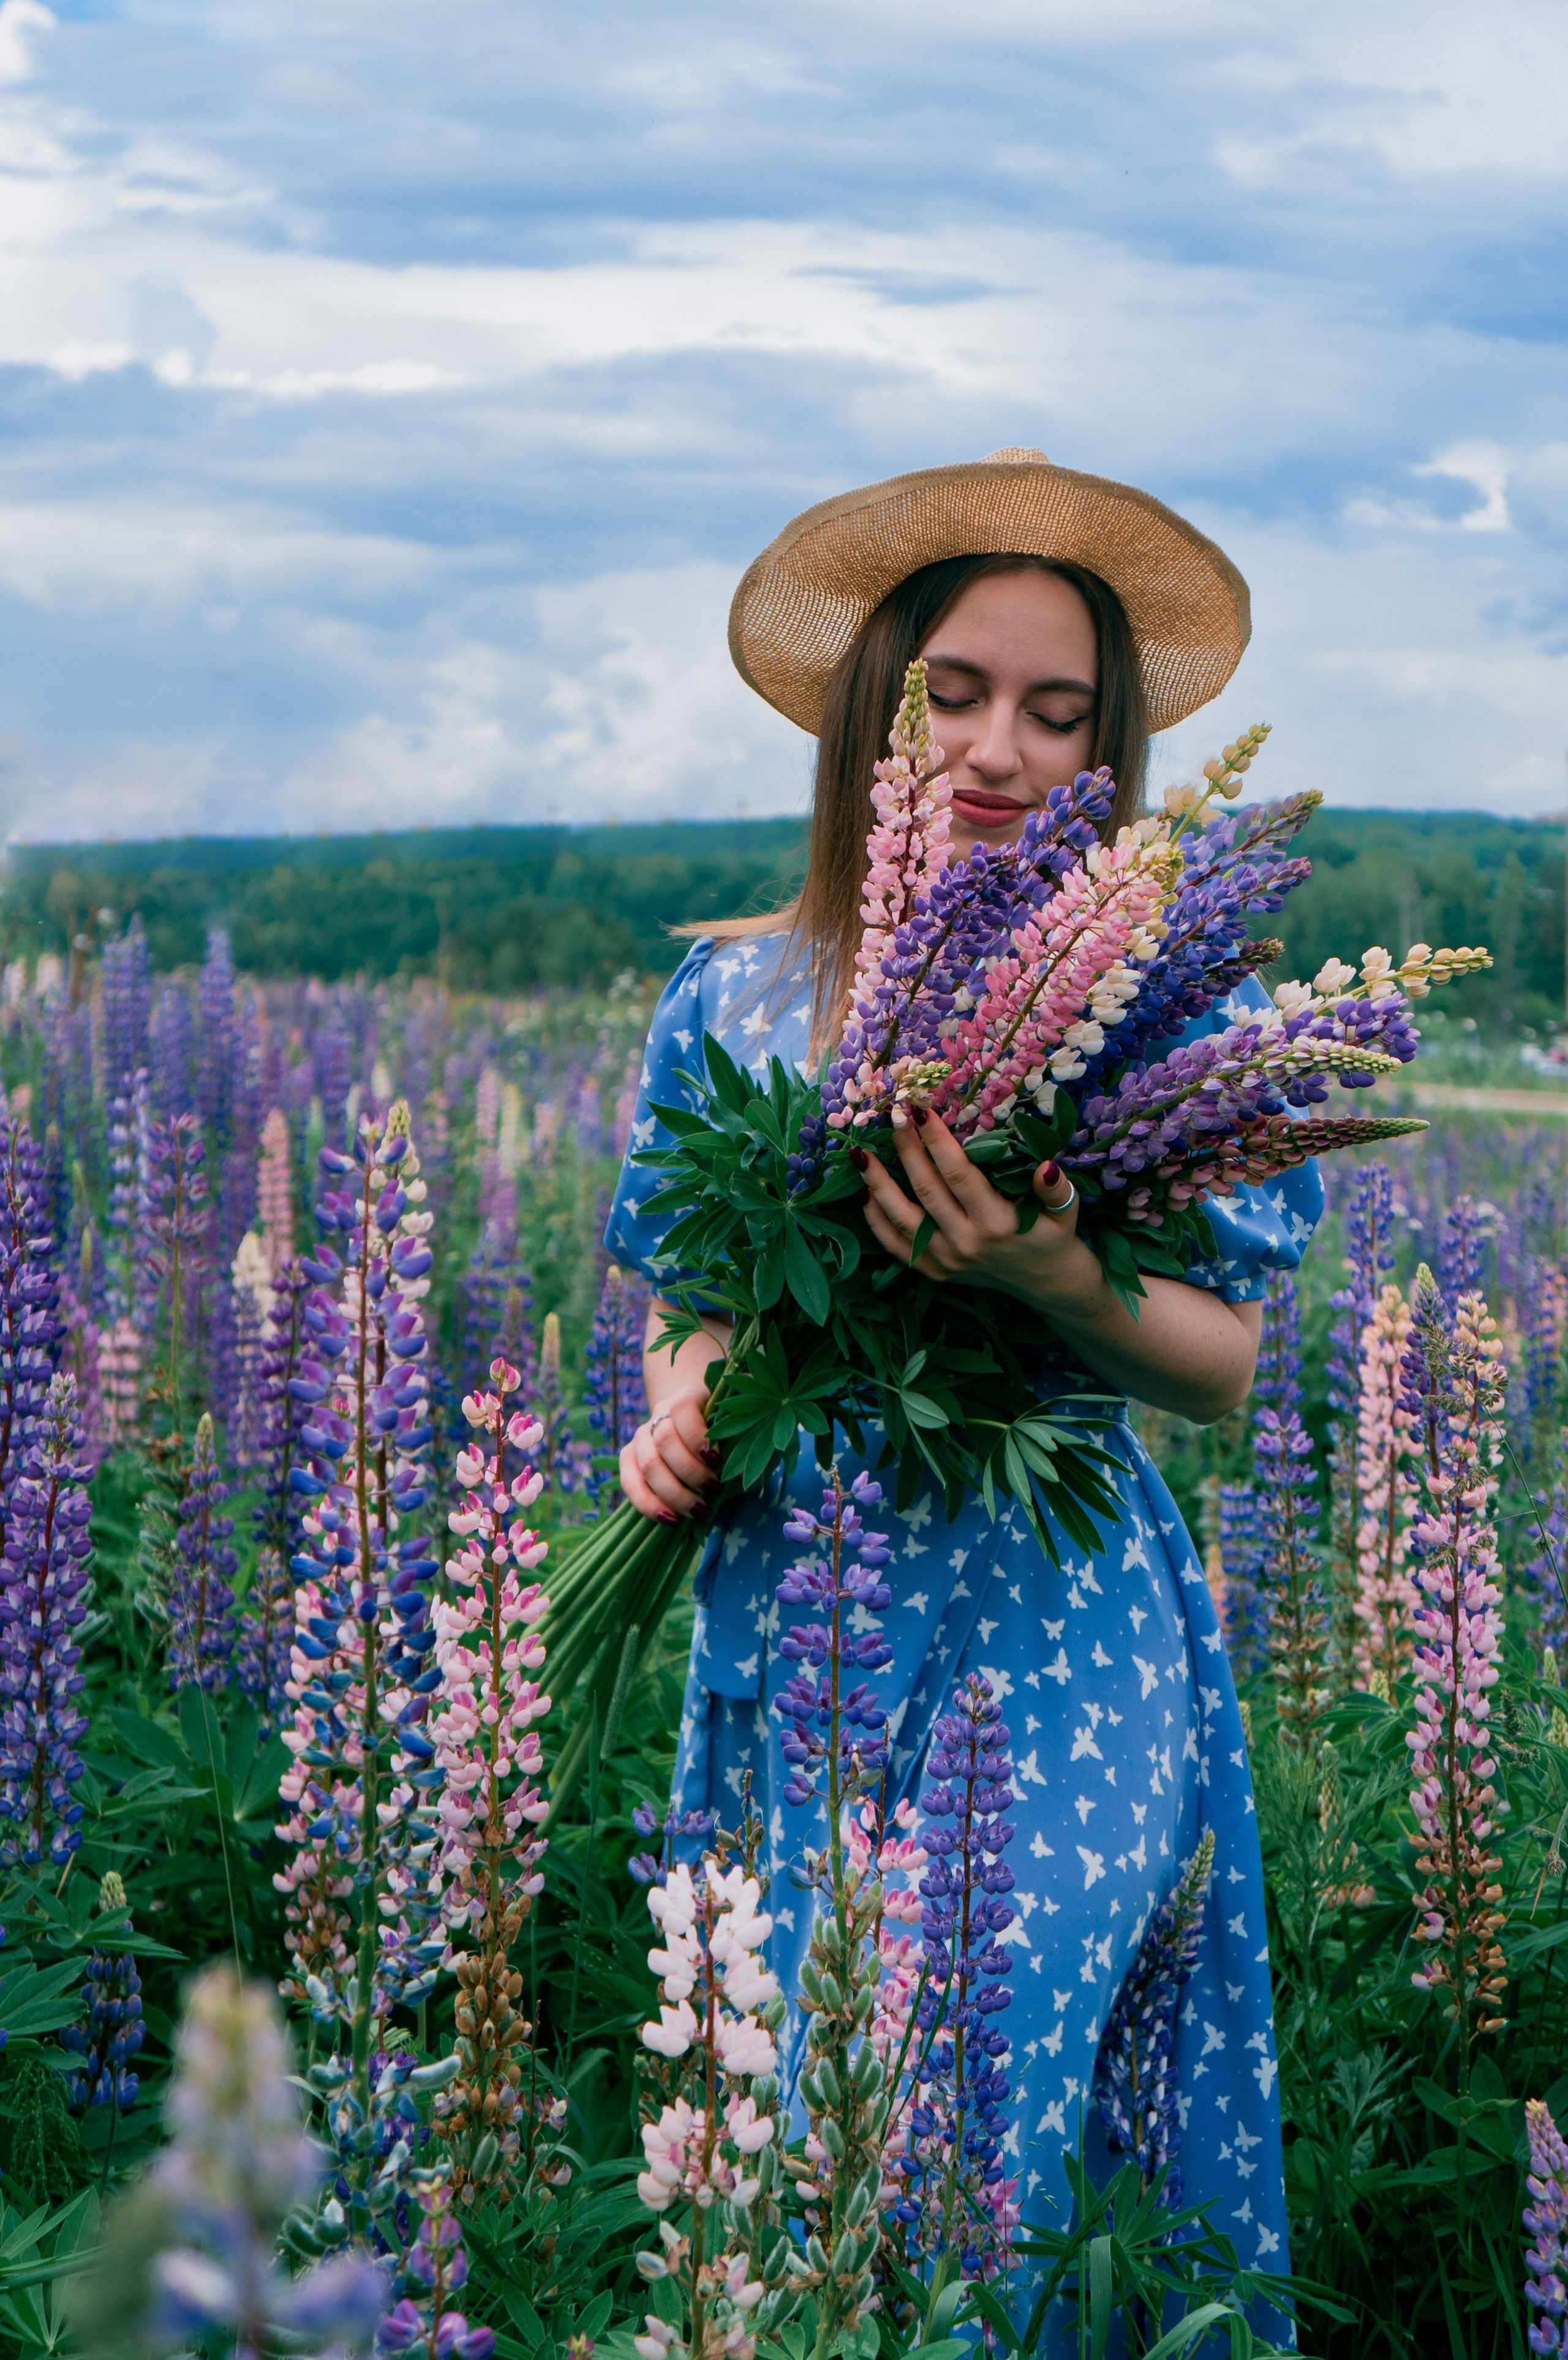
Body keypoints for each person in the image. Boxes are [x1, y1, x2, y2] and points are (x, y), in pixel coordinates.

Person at [604, 450, 1316, 2315]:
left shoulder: (1171, 1011)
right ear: (878, 705)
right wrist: (685, 1410)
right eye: (956, 692)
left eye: (1058, 714)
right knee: (799, 2137)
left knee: (984, 2124)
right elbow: (689, 1306)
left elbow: (1225, 1368)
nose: (1001, 749)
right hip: (806, 1617)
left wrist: (1046, 1269)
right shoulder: (741, 997)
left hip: (1057, 1632)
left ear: (1108, 754)